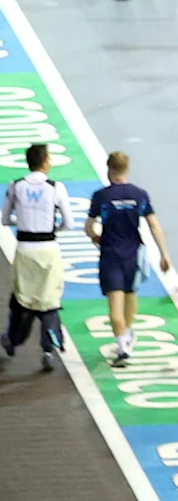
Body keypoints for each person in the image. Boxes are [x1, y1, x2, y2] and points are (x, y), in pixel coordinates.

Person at [90, 151, 170, 368]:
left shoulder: (101, 196)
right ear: (127, 169)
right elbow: (154, 226)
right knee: (130, 295)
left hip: (111, 256)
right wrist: (164, 254)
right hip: (133, 257)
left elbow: (88, 227)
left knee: (115, 308)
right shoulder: (140, 194)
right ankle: (127, 334)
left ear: (109, 169)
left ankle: (123, 348)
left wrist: (95, 237)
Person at [0, 142, 72, 371]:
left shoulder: (16, 186)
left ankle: (12, 339)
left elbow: (5, 219)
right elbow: (68, 224)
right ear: (44, 161)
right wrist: (51, 230)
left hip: (24, 249)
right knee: (49, 301)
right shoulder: (56, 187)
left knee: (22, 299)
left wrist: (21, 223)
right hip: (49, 249)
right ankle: (48, 349)